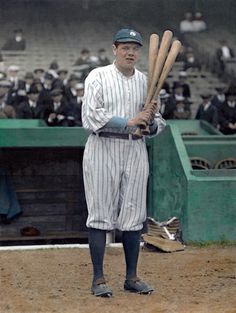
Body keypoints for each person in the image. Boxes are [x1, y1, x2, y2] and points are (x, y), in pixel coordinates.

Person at [82, 28, 166, 297]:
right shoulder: (98, 76)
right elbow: (91, 117)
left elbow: (159, 122)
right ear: (114, 49)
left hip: (135, 150)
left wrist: (150, 122)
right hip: (103, 146)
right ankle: (98, 279)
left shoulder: (146, 81)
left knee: (133, 215)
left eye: (135, 48)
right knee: (100, 214)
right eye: (125, 47)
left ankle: (131, 277)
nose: (130, 52)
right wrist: (131, 121)